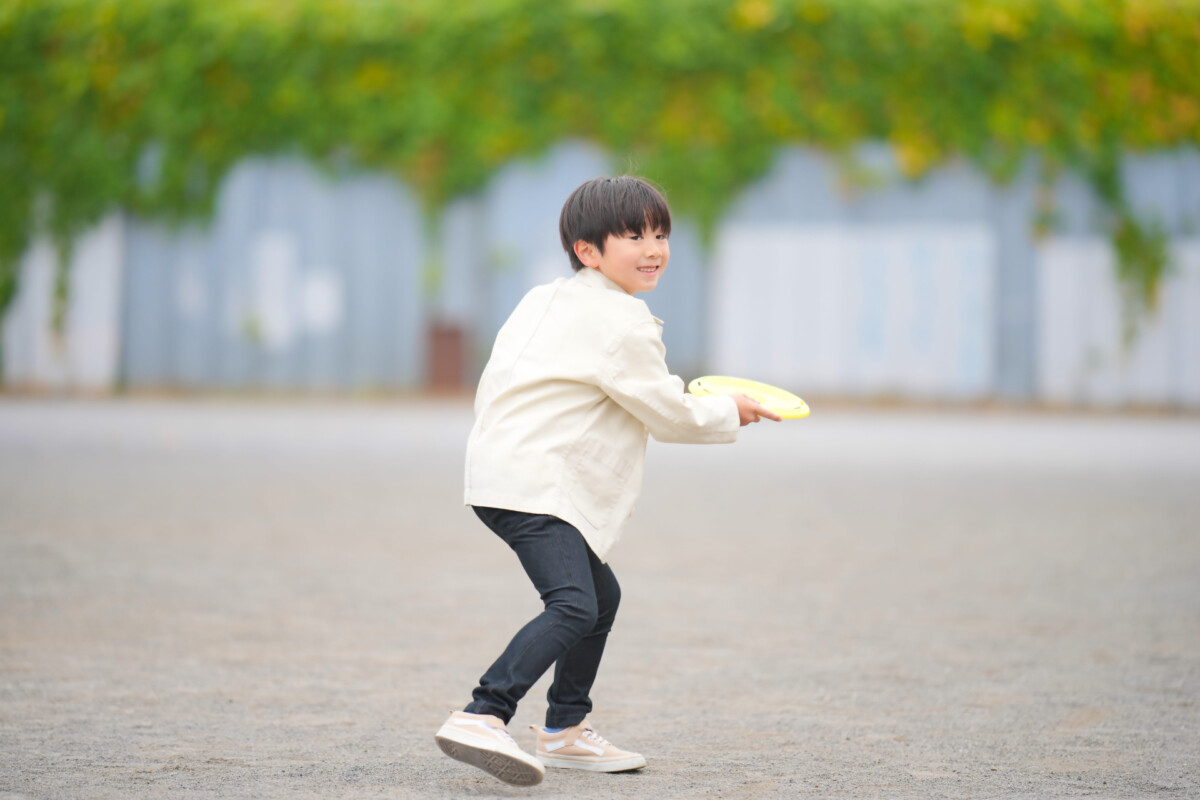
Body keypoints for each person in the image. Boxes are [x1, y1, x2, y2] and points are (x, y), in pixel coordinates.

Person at [434, 176, 780, 786]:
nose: (654, 249)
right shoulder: (622, 320)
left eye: (661, 234)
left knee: (601, 597)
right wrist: (730, 410)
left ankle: (565, 729)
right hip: (538, 484)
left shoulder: (544, 299)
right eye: (634, 236)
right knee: (573, 605)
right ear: (588, 251)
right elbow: (667, 412)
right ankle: (484, 713)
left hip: (500, 470)